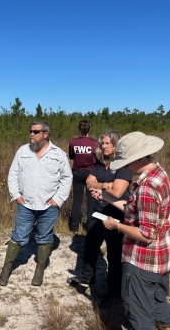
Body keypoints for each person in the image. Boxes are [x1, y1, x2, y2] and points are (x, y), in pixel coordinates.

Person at [92, 132, 170, 329]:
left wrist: (117, 226)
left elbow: (146, 235)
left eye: (127, 162)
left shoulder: (147, 188)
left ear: (139, 158)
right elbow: (135, 208)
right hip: (162, 258)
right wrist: (106, 196)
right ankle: (167, 322)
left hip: (143, 262)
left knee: (138, 314)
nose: (124, 166)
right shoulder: (160, 175)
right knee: (158, 300)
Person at [0, 120, 73, 286]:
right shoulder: (23, 151)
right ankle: (6, 268)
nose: (31, 134)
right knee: (18, 235)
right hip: (26, 204)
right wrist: (16, 196)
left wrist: (58, 200)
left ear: (45, 134)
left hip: (49, 206)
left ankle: (39, 269)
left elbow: (67, 178)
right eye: (30, 131)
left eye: (35, 131)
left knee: (45, 236)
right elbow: (13, 174)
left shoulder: (58, 154)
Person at [67, 129, 132, 303]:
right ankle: (87, 277)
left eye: (107, 143)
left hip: (115, 214)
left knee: (113, 254)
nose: (103, 146)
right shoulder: (100, 163)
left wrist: (102, 186)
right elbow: (89, 182)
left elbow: (118, 191)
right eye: (102, 143)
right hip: (98, 212)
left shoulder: (123, 166)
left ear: (115, 144)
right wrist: (107, 184)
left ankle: (113, 293)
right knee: (90, 245)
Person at [68, 120, 98, 233]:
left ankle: (74, 227)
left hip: (77, 172)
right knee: (91, 200)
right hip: (91, 173)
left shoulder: (73, 142)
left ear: (79, 129)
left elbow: (71, 156)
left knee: (77, 199)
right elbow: (98, 158)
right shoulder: (95, 143)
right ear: (89, 129)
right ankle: (89, 225)